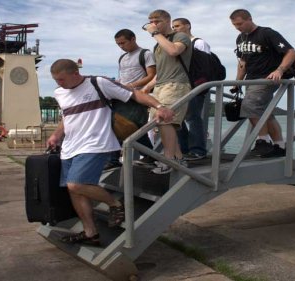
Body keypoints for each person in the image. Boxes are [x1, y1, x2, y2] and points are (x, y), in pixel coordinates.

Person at [47, 59, 174, 245]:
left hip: (95, 144)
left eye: (61, 79)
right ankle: (91, 233)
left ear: (75, 73)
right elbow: (67, 117)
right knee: (75, 192)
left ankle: (115, 204)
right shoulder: (60, 93)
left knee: (76, 184)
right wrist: (56, 136)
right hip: (69, 147)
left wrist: (160, 107)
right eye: (56, 80)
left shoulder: (98, 83)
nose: (59, 84)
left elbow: (135, 95)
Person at [229, 9, 295, 158]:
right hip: (251, 79)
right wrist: (237, 82)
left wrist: (280, 70)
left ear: (249, 19)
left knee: (250, 106)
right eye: (234, 25)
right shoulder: (240, 38)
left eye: (240, 24)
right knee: (265, 113)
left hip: (267, 77)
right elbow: (243, 62)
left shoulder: (267, 33)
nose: (237, 27)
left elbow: (291, 52)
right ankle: (279, 146)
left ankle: (263, 141)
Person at [141, 9, 192, 174]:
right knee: (163, 124)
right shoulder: (158, 44)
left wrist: (155, 33)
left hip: (176, 84)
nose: (153, 24)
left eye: (157, 21)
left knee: (165, 120)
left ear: (167, 20)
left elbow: (174, 51)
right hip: (161, 86)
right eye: (151, 21)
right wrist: (147, 87)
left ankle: (168, 160)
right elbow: (160, 72)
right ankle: (177, 158)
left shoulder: (180, 36)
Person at [104, 28, 157, 169]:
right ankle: (148, 155)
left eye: (123, 43)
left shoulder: (146, 54)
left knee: (131, 126)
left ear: (133, 39)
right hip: (121, 96)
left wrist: (131, 86)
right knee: (120, 125)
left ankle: (146, 155)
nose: (121, 46)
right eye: (118, 44)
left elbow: (151, 75)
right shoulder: (122, 57)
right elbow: (123, 76)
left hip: (138, 96)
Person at [172, 17, 210, 161]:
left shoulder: (198, 42)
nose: (175, 28)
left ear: (188, 26)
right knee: (177, 118)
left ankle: (198, 150)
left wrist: (200, 85)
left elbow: (206, 66)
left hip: (195, 85)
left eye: (177, 26)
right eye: (173, 26)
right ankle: (184, 149)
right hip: (180, 86)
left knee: (193, 117)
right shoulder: (177, 44)